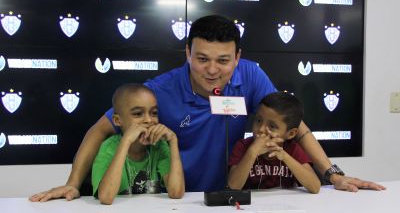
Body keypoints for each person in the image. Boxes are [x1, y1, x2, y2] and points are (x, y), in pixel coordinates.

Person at [29, 15, 385, 202]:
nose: (212, 69)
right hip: (178, 198)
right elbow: (100, 129)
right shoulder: (161, 89)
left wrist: (333, 174)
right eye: (201, 59)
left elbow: (297, 126)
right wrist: (73, 184)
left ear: (238, 58)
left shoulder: (251, 74)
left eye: (223, 60)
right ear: (187, 53)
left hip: (234, 196)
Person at [91, 83, 184, 204]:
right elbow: (106, 197)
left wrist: (173, 141)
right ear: (118, 120)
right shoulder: (109, 148)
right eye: (138, 114)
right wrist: (126, 142)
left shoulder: (159, 145)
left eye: (154, 113)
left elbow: (176, 192)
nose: (149, 120)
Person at [228, 91, 320, 194]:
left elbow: (315, 187)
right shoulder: (243, 146)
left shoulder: (292, 149)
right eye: (258, 120)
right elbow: (233, 186)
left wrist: (285, 157)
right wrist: (252, 152)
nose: (261, 129)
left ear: (291, 134)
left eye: (272, 126)